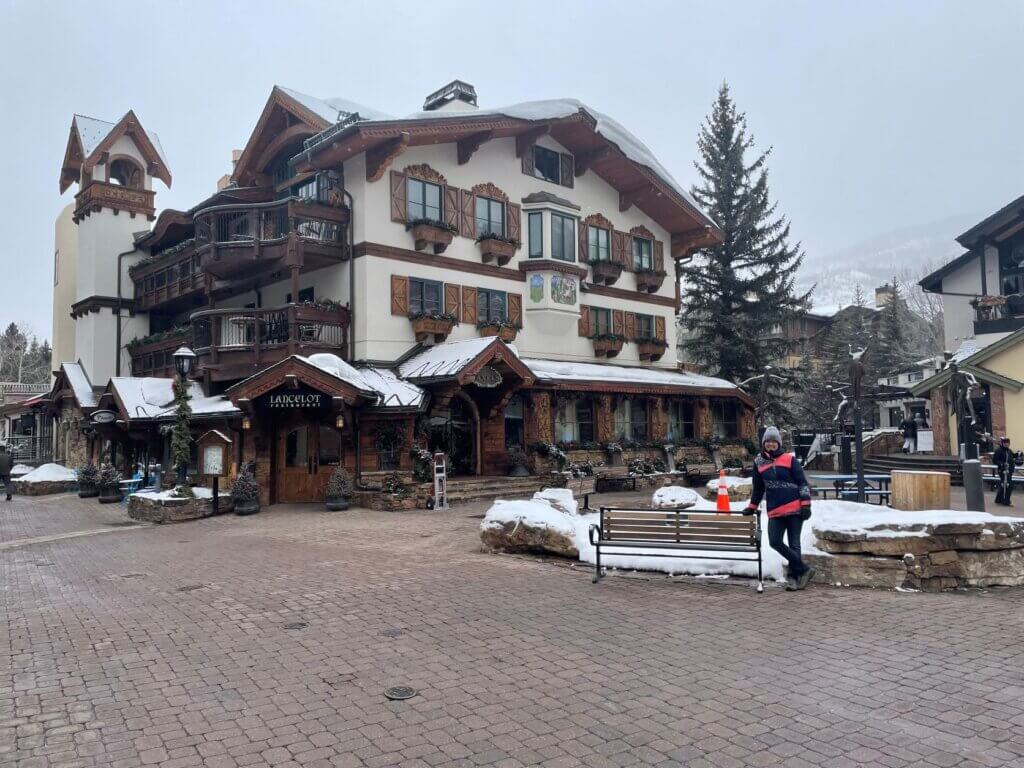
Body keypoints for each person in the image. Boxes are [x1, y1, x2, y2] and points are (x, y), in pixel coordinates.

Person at [744, 426, 814, 591]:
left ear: (779, 443)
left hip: (795, 508)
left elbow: (802, 483)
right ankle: (804, 569)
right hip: (775, 510)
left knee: (794, 544)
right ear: (763, 443)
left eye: (774, 441)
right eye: (767, 441)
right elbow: (758, 488)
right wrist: (752, 506)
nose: (771, 444)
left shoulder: (790, 459)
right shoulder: (759, 462)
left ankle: (794, 578)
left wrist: (806, 504)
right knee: (775, 541)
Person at [993, 436, 1022, 507]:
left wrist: (1018, 454)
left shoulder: (1009, 450)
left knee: (1004, 485)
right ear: (1002, 443)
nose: (1006, 444)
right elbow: (995, 460)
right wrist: (1002, 464)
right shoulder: (999, 451)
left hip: (1009, 470)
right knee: (1010, 485)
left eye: (1008, 443)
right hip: (1003, 471)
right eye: (1005, 443)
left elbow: (1012, 456)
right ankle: (1006, 501)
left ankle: (998, 499)